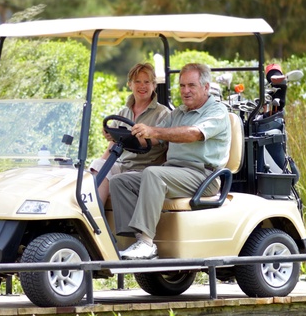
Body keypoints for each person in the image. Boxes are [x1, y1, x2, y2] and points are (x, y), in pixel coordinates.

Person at [109, 62, 231, 260]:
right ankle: (137, 240)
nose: (186, 91)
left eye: (191, 86)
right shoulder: (178, 113)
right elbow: (154, 138)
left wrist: (153, 130)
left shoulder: (216, 112)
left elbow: (193, 134)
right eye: (182, 86)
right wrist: (118, 136)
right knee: (120, 182)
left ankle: (147, 243)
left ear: (206, 87)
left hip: (203, 176)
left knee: (153, 173)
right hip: (175, 171)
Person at [92, 62, 170, 205]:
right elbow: (112, 147)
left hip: (145, 168)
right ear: (130, 84)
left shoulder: (163, 113)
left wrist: (122, 137)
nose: (142, 86)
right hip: (123, 165)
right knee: (97, 165)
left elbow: (154, 140)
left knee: (121, 179)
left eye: (147, 82)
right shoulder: (124, 112)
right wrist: (111, 138)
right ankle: (94, 217)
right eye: (137, 82)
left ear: (154, 85)